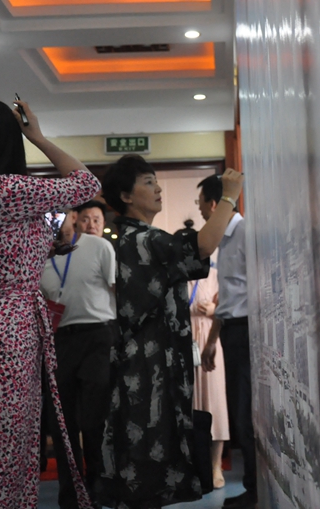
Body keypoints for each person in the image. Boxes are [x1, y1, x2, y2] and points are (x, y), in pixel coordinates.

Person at [0, 97, 100, 508]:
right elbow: (87, 184)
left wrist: (30, 258)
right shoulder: (9, 188)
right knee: (3, 465)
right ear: (8, 138)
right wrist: (39, 137)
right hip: (12, 332)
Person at [99, 156, 243, 509]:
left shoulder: (129, 238)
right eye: (148, 182)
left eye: (155, 181)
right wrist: (229, 196)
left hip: (143, 364)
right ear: (126, 196)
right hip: (148, 370)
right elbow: (202, 247)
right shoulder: (144, 239)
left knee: (144, 458)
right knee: (148, 457)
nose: (158, 188)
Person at [40, 209, 118, 508]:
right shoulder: (40, 255)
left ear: (73, 216)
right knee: (63, 422)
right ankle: (70, 493)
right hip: (59, 339)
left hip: (97, 334)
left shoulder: (98, 246)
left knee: (94, 418)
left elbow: (117, 289)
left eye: (60, 213)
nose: (54, 220)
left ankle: (98, 488)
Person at [198, 175, 255, 509]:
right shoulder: (225, 239)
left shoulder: (245, 233)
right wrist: (212, 341)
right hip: (231, 331)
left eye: (201, 206)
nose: (201, 213)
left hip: (247, 331)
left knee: (245, 412)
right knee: (239, 411)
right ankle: (252, 489)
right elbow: (229, 296)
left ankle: (255, 492)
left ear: (214, 204)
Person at [179, 219, 229, 489]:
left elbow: (228, 304)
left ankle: (215, 465)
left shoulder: (214, 272)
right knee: (187, 404)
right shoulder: (174, 274)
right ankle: (190, 466)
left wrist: (213, 310)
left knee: (214, 402)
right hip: (182, 341)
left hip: (209, 339)